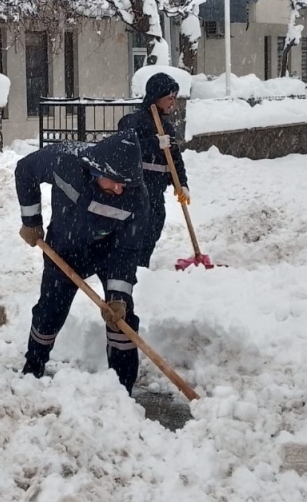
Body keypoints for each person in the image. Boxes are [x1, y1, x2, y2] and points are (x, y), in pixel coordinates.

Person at [15, 132, 148, 392]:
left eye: (127, 184)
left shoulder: (135, 197)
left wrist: (118, 296)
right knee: (50, 311)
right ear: (97, 169)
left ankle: (122, 388)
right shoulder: (66, 161)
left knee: (121, 318)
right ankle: (33, 366)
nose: (120, 189)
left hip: (109, 252)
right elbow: (25, 170)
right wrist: (31, 222)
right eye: (116, 182)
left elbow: (128, 249)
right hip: (63, 249)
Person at [117, 72, 188, 268]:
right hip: (138, 187)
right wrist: (153, 142)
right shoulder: (134, 121)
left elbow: (174, 158)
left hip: (156, 188)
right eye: (169, 98)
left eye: (175, 98)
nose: (173, 103)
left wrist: (181, 184)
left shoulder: (166, 127)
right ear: (156, 97)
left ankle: (141, 265)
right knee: (142, 229)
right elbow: (125, 147)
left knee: (155, 224)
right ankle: (134, 267)